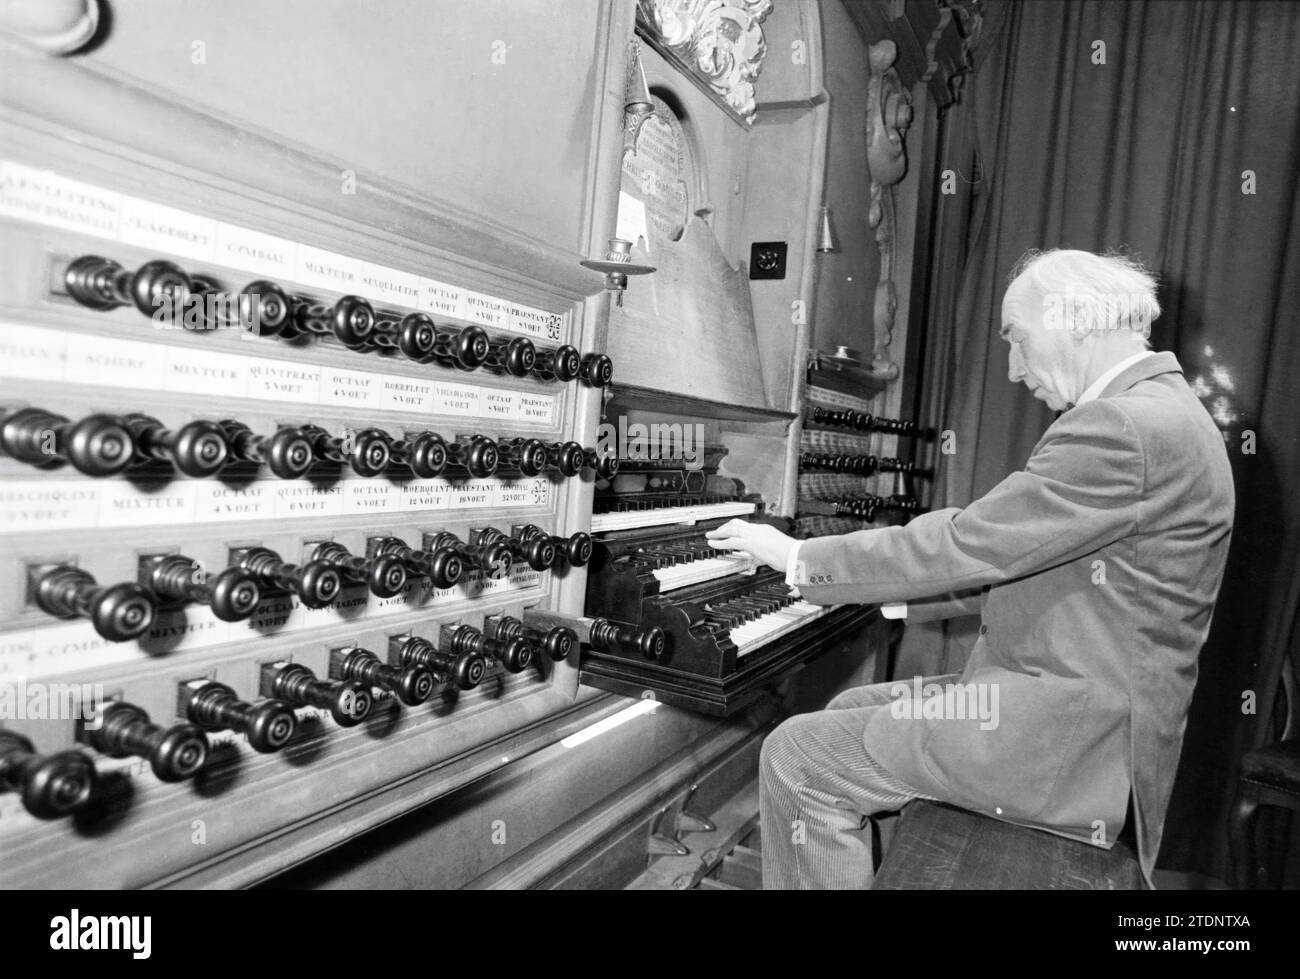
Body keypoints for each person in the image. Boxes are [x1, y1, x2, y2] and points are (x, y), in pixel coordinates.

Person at [706, 249, 1235, 889]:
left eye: (1018, 340)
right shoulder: (1162, 410)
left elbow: (971, 543)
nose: (1013, 369)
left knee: (798, 757)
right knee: (851, 704)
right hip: (1078, 706)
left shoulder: (1124, 425)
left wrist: (797, 557)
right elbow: (1038, 563)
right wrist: (876, 597)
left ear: (1077, 319)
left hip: (1068, 737)